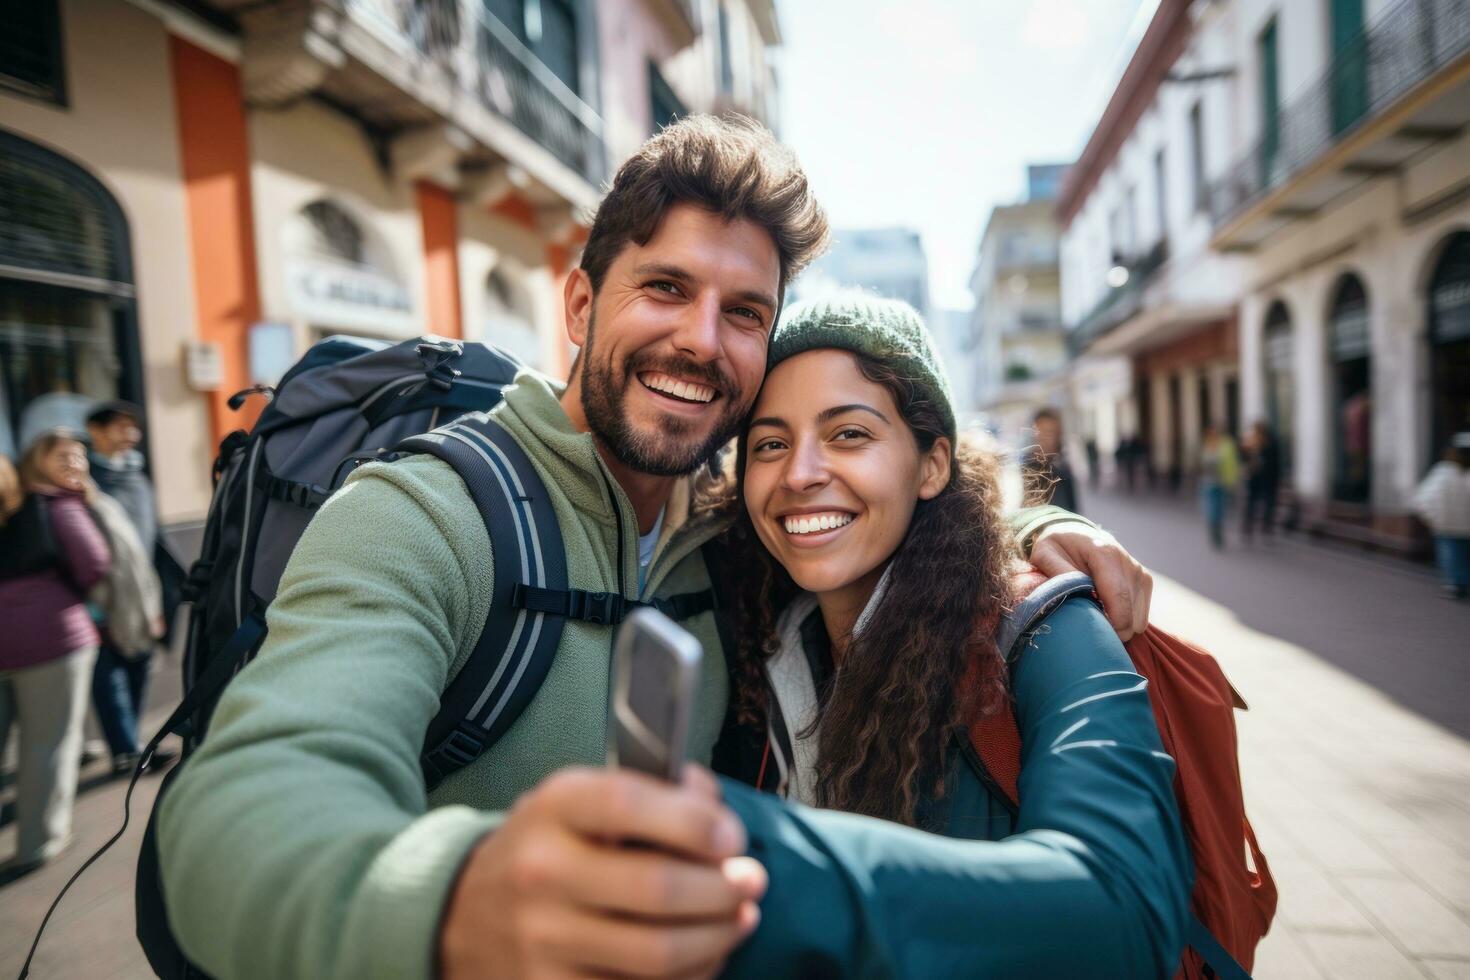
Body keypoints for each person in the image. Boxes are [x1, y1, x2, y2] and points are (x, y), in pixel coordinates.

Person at [157, 115, 1156, 980]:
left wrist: (1025, 529)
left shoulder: (726, 529)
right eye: (666, 287)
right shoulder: (425, 515)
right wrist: (451, 903)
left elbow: (875, 505)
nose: (700, 339)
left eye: (744, 313)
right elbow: (245, 801)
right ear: (583, 307)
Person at [713, 294, 1190, 974]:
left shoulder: (1050, 632)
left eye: (849, 433)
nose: (799, 473)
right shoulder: (765, 638)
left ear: (933, 464)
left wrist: (764, 852)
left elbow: (1127, 909)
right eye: (769, 443)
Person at [0, 432, 111, 880]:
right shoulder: (56, 506)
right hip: (52, 638)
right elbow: (96, 562)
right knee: (48, 744)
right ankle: (39, 842)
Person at [85, 400, 172, 775]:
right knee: (109, 672)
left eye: (132, 428)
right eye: (120, 427)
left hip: (141, 592)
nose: (131, 435)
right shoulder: (87, 481)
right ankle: (125, 750)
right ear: (95, 431)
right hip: (100, 595)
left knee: (139, 665)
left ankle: (130, 742)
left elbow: (151, 537)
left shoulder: (137, 477)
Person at [1413, 433, 1470, 600]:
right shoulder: (1445, 472)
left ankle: (1456, 583)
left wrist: (1434, 519)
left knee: (1452, 555)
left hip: (1447, 526)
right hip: (1456, 525)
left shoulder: (1443, 472)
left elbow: (1423, 499)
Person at [1021, 407, 1080, 514]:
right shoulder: (1024, 467)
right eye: (1040, 431)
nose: (1044, 437)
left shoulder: (1063, 468)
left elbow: (1072, 509)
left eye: (1049, 432)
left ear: (1058, 434)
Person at [1199, 425, 1240, 550]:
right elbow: (1203, 465)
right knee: (1212, 510)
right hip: (1209, 484)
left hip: (1220, 483)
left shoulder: (1224, 447)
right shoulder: (1207, 448)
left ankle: (1218, 534)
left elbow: (1230, 464)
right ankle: (1214, 534)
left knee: (1219, 510)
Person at [1241, 420, 1281, 541]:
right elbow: (1245, 459)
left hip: (1268, 478)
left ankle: (1265, 527)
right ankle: (1250, 527)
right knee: (1253, 502)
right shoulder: (1252, 443)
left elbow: (1274, 462)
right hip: (1256, 479)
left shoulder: (1270, 443)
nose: (1256, 433)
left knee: (1267, 503)